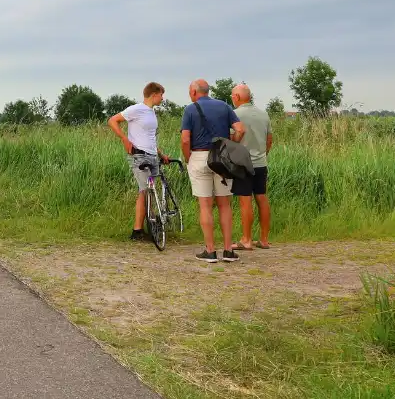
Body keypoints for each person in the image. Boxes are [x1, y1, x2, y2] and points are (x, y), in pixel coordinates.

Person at [181, 79, 247, 263]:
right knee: (225, 205)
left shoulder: (190, 109)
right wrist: (231, 146)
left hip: (200, 156)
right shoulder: (225, 106)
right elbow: (241, 129)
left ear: (194, 92)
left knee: (205, 205)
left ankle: (210, 251)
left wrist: (188, 158)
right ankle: (227, 250)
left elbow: (186, 139)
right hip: (222, 159)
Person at [107, 82, 169, 241]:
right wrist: (125, 140)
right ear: (154, 94)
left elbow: (149, 137)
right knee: (145, 190)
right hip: (139, 156)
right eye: (161, 94)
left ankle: (144, 227)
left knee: (149, 191)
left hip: (152, 155)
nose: (162, 98)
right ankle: (139, 229)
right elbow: (113, 120)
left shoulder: (151, 112)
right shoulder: (136, 109)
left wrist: (160, 154)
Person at [230, 84, 273, 250]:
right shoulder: (264, 114)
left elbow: (231, 137)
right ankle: (263, 239)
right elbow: (269, 139)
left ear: (238, 97)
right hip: (261, 162)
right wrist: (263, 154)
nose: (232, 98)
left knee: (245, 199)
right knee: (261, 197)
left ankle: (246, 239)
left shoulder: (235, 114)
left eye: (233, 96)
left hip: (243, 163)